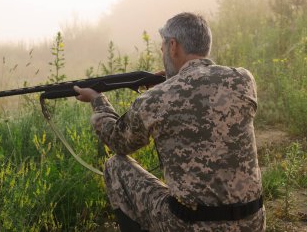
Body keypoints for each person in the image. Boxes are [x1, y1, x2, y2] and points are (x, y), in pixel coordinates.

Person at [73, 12, 265, 232]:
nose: (162, 52)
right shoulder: (243, 80)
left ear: (173, 46)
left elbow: (118, 142)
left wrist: (98, 101)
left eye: (163, 47)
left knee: (115, 166)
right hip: (252, 223)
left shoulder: (156, 99)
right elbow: (201, 98)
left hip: (192, 226)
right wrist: (169, 85)